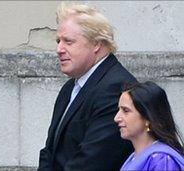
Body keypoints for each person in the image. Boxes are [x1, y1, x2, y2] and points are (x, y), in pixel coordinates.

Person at [38, 2, 137, 171]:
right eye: (58, 41)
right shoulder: (70, 87)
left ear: (96, 44)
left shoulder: (116, 88)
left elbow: (93, 161)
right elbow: (50, 152)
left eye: (68, 41)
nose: (59, 49)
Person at [114, 81, 184, 171]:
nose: (116, 118)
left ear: (148, 118)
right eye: (119, 110)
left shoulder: (162, 160)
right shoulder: (134, 157)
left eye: (126, 111)